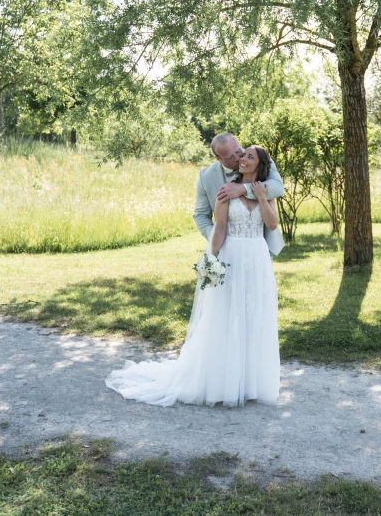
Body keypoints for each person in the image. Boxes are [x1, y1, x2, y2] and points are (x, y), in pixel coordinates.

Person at [105, 145, 281, 407]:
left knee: (254, 315)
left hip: (256, 259)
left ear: (260, 165)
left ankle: (250, 381)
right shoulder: (224, 192)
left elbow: (272, 224)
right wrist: (210, 258)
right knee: (227, 315)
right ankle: (225, 380)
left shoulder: (265, 190)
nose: (242, 159)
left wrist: (261, 197)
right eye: (242, 156)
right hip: (231, 255)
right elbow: (220, 228)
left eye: (249, 156)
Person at [194, 132, 285, 256]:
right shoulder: (206, 177)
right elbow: (201, 215)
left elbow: (278, 187)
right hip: (227, 249)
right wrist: (217, 241)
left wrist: (244, 189)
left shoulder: (258, 157)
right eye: (230, 157)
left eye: (237, 151)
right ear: (218, 158)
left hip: (261, 246)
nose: (237, 158)